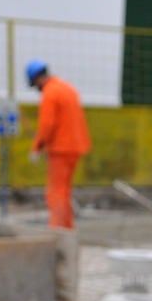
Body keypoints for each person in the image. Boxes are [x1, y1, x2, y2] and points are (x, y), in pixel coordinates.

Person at [27, 59, 91, 229]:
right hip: (75, 147)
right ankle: (67, 230)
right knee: (65, 191)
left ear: (37, 79)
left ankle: (57, 232)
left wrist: (36, 147)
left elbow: (47, 124)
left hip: (60, 149)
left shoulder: (50, 93)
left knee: (55, 193)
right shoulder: (67, 88)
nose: (37, 90)